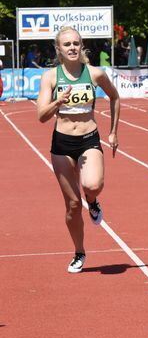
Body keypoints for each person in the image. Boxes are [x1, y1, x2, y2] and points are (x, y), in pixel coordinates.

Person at [36, 26, 121, 273]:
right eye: (67, 44)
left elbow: (115, 97)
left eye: (76, 43)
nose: (72, 47)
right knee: (73, 206)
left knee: (92, 185)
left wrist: (114, 131)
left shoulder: (94, 74)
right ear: (58, 49)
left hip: (88, 138)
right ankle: (79, 252)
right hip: (62, 144)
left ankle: (93, 201)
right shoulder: (51, 77)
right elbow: (41, 116)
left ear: (81, 46)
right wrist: (57, 102)